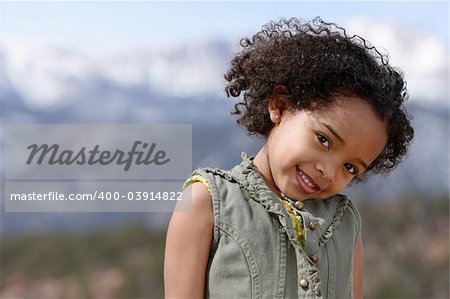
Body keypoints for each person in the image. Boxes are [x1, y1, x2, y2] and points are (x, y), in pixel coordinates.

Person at [164, 17, 414, 299]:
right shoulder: (206, 201)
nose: (328, 172)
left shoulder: (344, 223)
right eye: (324, 139)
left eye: (350, 167)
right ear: (280, 106)